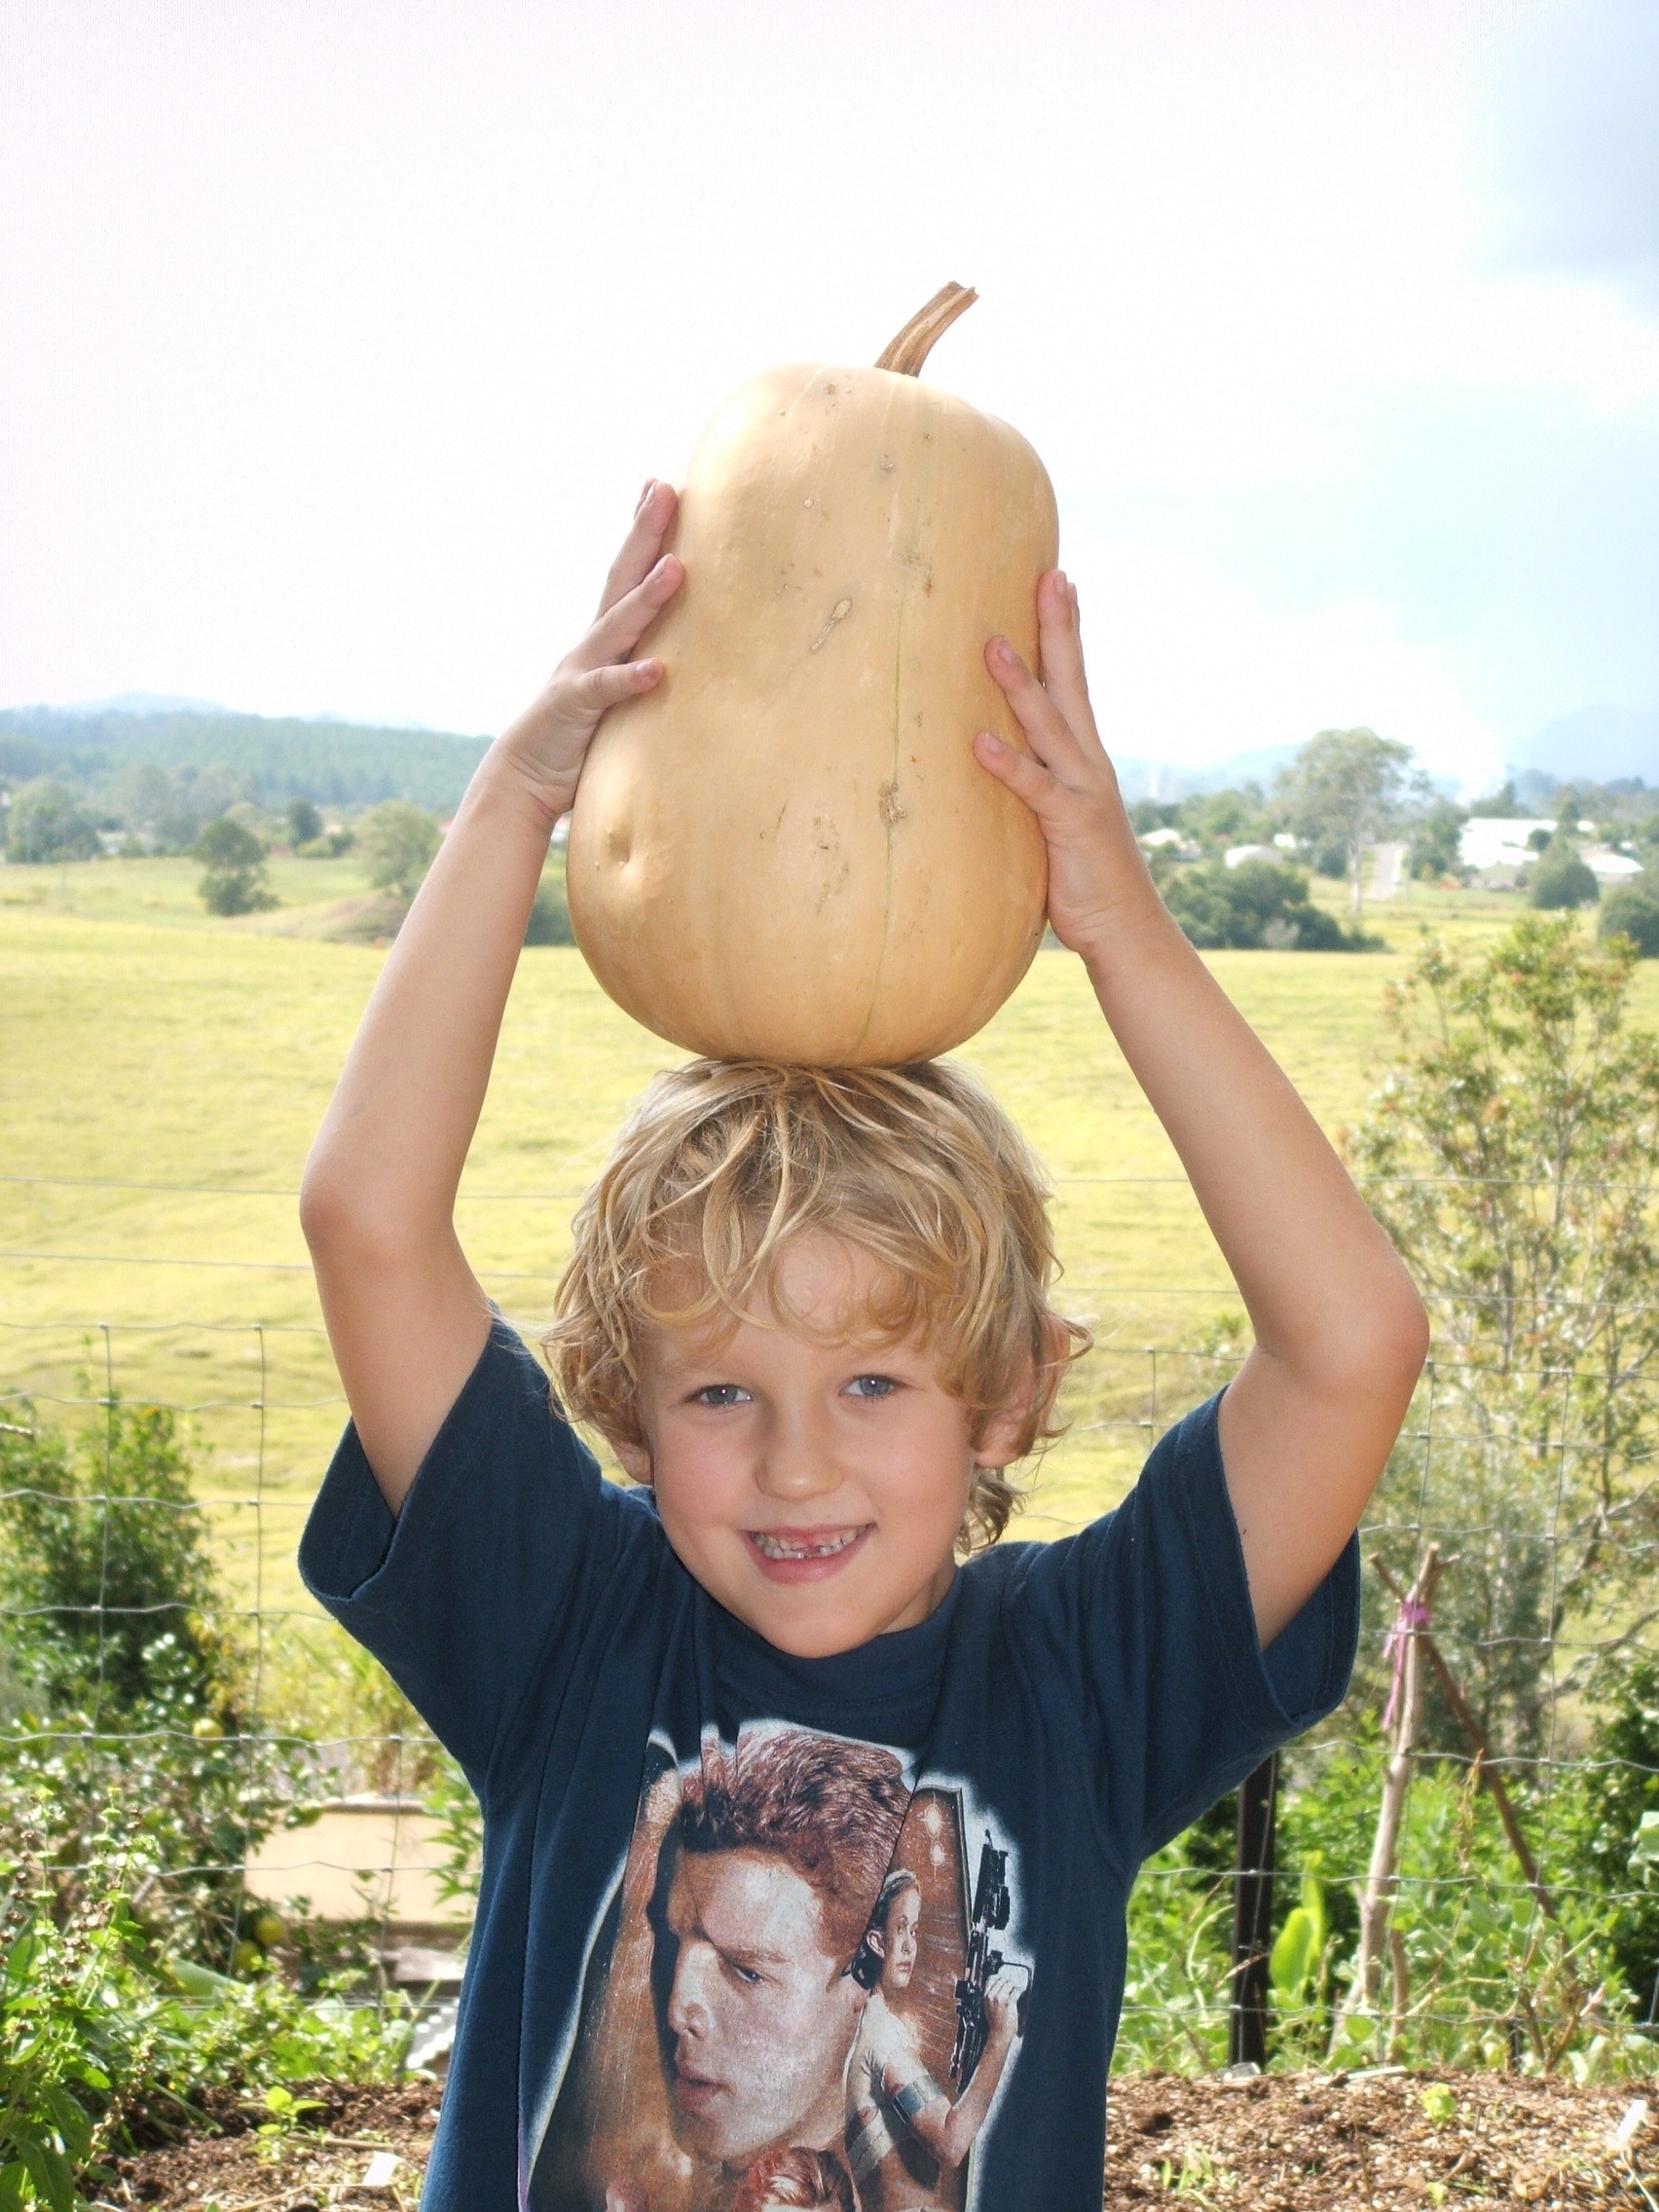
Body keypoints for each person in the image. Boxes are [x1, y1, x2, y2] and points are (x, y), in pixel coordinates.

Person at [298, 481, 1428, 2211]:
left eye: (875, 1382)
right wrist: (520, 800)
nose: (795, 1460)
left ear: (1012, 1394)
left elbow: (1351, 1342)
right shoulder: (565, 1627)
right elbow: (366, 1219)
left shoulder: (1077, 1681)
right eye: (720, 1389)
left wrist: (1112, 921)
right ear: (620, 1407)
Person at [843, 1870, 1019, 2206]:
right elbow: (951, 2143)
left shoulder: (871, 2031)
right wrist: (999, 2038)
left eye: (915, 1931)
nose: (911, 1945)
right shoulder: (884, 2041)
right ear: (877, 1942)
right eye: (901, 1929)